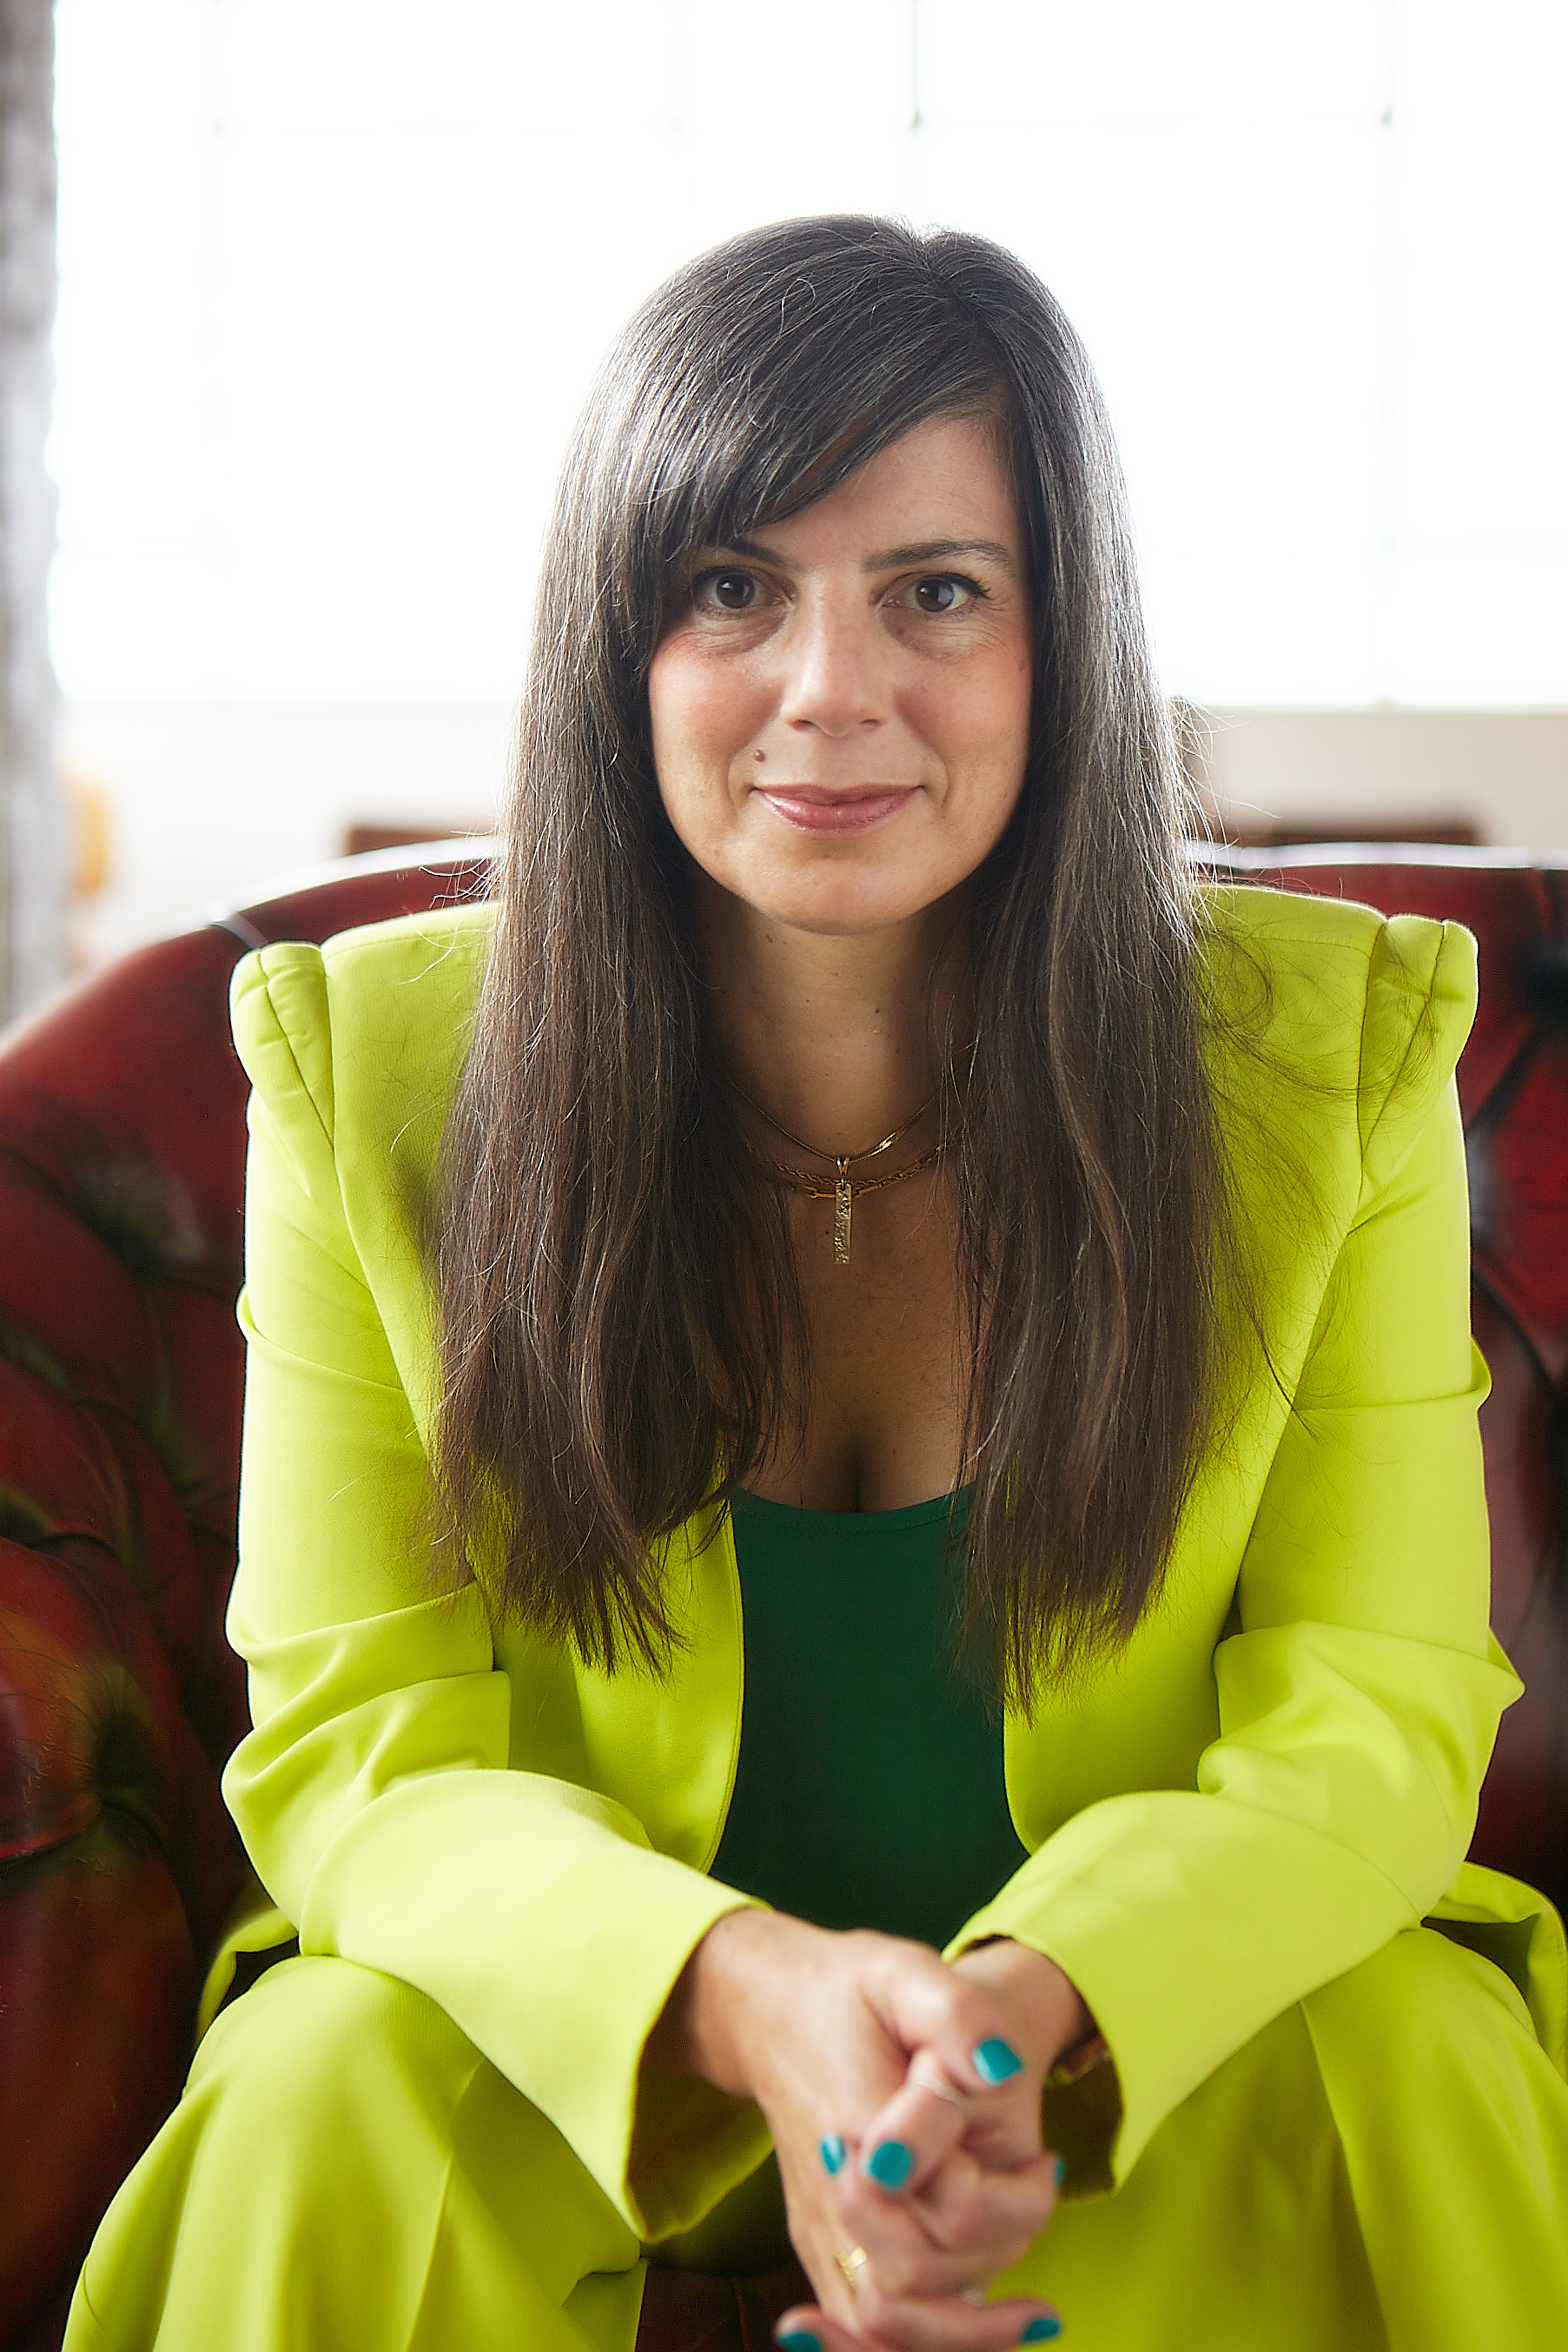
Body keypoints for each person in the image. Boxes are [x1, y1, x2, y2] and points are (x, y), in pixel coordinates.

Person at [66, 215, 1568, 2352]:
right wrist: (754, 2000)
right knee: (320, 2084)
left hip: (1147, 2052)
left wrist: (1013, 2026)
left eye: (935, 591)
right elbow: (362, 1743)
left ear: (1065, 640)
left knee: (1413, 2053)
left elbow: (1377, 1704)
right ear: (622, 647)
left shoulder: (1330, 1055)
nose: (828, 692)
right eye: (731, 589)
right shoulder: (365, 1063)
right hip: (581, 2060)